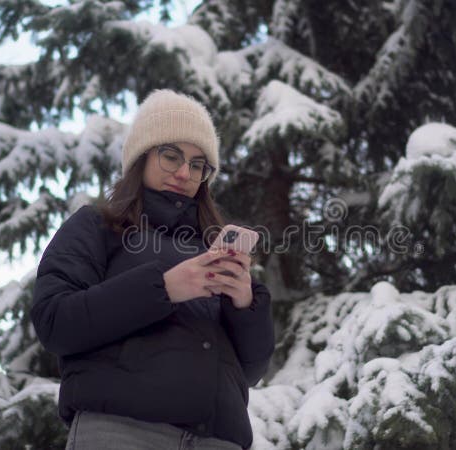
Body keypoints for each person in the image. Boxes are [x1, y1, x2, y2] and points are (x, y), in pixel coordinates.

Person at [31, 89, 275, 450]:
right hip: (122, 433)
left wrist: (243, 304)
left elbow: (251, 372)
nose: (183, 172)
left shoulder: (212, 248)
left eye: (197, 164)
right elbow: (54, 322)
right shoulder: (97, 225)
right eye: (171, 155)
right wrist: (163, 288)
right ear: (142, 157)